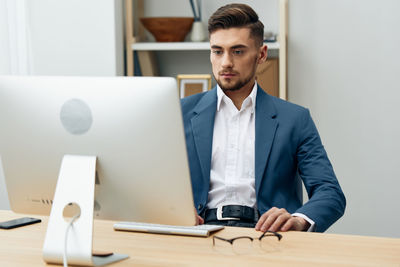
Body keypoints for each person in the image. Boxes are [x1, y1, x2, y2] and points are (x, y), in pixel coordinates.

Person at [181, 3, 345, 232]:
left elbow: (330, 193)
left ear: (261, 55)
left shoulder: (295, 119)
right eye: (217, 51)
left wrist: (298, 219)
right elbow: (150, 184)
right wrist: (172, 212)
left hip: (269, 236)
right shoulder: (180, 114)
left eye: (238, 51)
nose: (226, 62)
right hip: (198, 234)